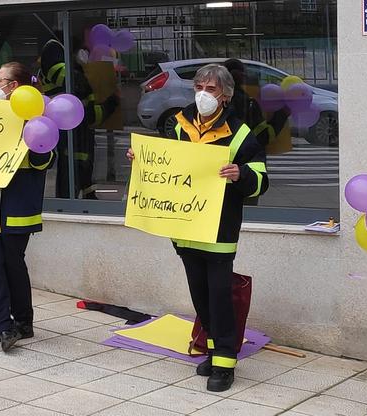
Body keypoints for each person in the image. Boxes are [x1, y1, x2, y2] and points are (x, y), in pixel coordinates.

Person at [127, 64, 268, 392]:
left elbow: (261, 180)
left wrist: (241, 175)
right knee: (201, 296)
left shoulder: (240, 132)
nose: (204, 94)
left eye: (212, 89)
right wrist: (141, 158)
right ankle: (214, 348)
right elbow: (166, 163)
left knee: (219, 296)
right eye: (200, 87)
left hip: (219, 229)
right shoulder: (179, 125)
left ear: (226, 96)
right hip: (185, 228)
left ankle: (225, 362)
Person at [0, 62, 55, 352]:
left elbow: (43, 160)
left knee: (12, 263)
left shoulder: (36, 118)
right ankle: (3, 327)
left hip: (16, 206)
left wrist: (33, 141)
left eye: (0, 80)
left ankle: (24, 320)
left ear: (15, 87)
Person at [37, 38, 119, 199]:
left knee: (84, 164)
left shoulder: (73, 62)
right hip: (65, 127)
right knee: (69, 167)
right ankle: (67, 202)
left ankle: (86, 195)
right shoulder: (53, 49)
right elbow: (71, 81)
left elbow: (90, 113)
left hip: (80, 128)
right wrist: (92, 76)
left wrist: (111, 103)